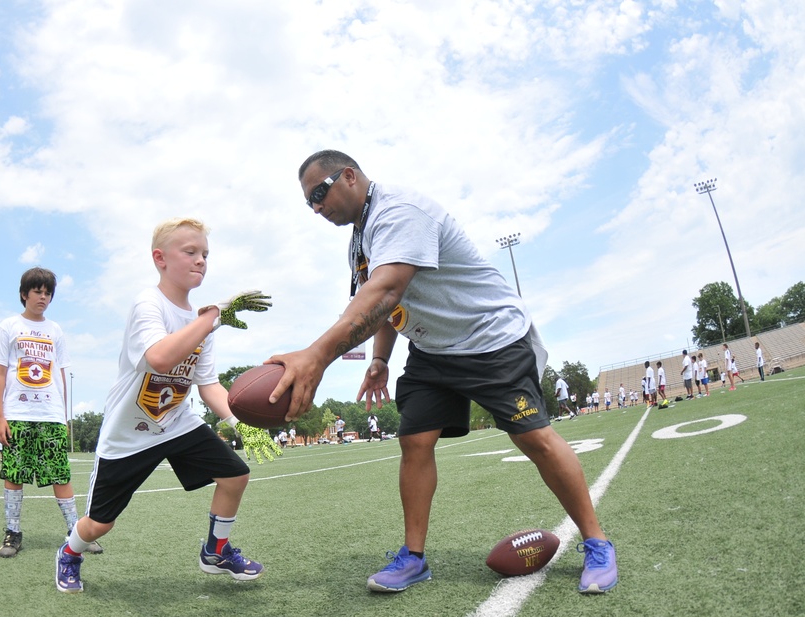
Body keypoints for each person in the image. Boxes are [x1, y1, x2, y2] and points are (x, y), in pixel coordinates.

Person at [269, 150, 616, 594]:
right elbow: (383, 303)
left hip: (489, 338)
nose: (316, 207)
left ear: (349, 176)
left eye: (319, 193)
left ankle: (597, 542)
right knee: (414, 441)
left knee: (535, 438)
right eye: (308, 203)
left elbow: (387, 288)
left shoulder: (399, 212)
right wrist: (379, 360)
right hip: (434, 348)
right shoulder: (362, 235)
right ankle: (414, 558)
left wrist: (316, 356)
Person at [55, 217, 271, 593]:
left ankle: (215, 551)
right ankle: (70, 553)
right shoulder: (148, 304)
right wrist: (212, 318)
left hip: (176, 422)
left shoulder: (203, 322)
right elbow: (159, 358)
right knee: (100, 524)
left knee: (236, 475)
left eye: (205, 254)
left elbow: (208, 386)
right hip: (129, 434)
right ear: (160, 258)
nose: (201, 260)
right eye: (190, 252)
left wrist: (241, 424)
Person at [0, 267, 102, 559]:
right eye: (37, 291)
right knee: (14, 473)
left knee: (60, 474)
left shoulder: (55, 330)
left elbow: (60, 375)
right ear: (24, 294)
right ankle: (13, 532)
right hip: (17, 411)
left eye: (48, 292)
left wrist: (63, 416)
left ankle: (76, 532)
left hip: (50, 413)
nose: (43, 296)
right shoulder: (8, 327)